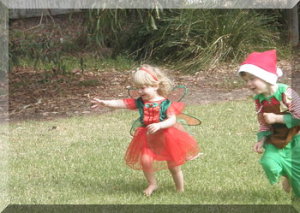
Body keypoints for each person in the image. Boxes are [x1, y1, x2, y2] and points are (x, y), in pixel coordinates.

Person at [91, 64, 200, 196]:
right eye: (138, 88)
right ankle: (152, 183)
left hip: (167, 137)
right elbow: (122, 103)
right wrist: (105, 103)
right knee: (145, 160)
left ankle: (180, 189)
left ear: (155, 86)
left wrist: (160, 125)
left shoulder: (166, 103)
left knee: (173, 165)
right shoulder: (140, 102)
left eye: (143, 88)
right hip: (148, 138)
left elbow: (172, 119)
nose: (140, 91)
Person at [238, 49, 300, 197]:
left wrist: (278, 118)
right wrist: (262, 138)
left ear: (266, 77)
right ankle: (287, 174)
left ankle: (293, 179)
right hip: (277, 137)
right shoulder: (259, 99)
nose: (249, 84)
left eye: (252, 79)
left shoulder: (286, 93)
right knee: (268, 163)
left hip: (296, 137)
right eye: (246, 80)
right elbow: (263, 122)